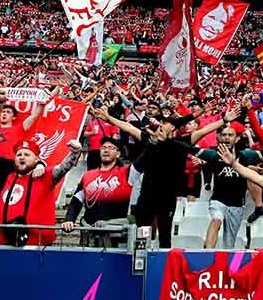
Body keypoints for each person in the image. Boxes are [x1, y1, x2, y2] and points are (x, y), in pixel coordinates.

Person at [92, 104, 239, 248]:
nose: (161, 125)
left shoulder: (181, 143)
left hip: (167, 199)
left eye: (166, 123)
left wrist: (225, 120)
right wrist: (108, 118)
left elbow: (204, 131)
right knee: (142, 236)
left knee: (165, 237)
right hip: (146, 196)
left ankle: (162, 266)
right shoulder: (148, 140)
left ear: (173, 127)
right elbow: (129, 127)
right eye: (161, 122)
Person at [0, 138, 81, 247]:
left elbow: (63, 167)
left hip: (36, 245)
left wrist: (75, 153)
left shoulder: (45, 175)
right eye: (19, 155)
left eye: (27, 155)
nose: (22, 157)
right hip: (2, 243)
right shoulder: (7, 176)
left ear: (36, 160)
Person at [62, 137, 137, 245]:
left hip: (116, 235)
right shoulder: (88, 176)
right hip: (90, 235)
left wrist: (152, 139)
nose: (106, 150)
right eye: (103, 148)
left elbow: (144, 158)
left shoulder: (127, 173)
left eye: (111, 148)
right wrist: (69, 219)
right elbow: (76, 201)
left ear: (118, 154)